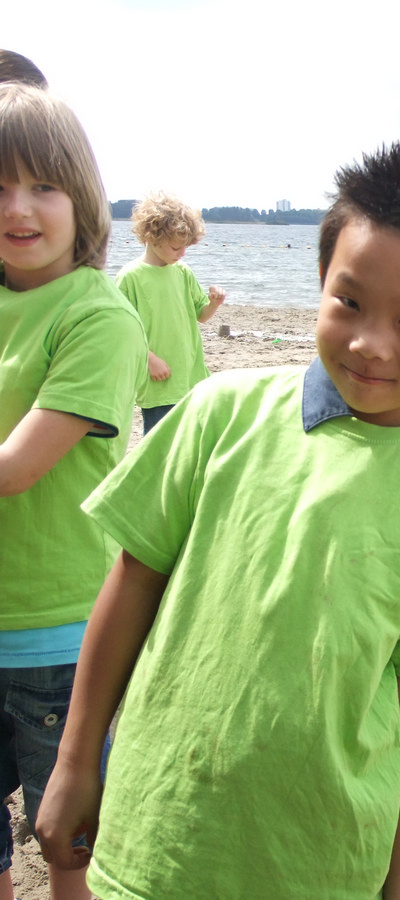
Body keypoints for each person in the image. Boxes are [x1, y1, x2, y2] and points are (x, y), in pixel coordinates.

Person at [35, 140, 400, 899]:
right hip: (158, 832)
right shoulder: (220, 413)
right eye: (349, 302)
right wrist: (75, 760)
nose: (370, 343)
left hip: (322, 859)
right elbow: (132, 581)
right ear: (321, 283)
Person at [0, 83, 146, 900]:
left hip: (57, 638)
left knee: (69, 842)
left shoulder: (98, 317)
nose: (18, 208)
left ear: (82, 199)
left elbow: (16, 468)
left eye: (43, 186)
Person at [116, 191, 225, 433]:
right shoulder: (130, 277)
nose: (182, 253)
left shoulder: (182, 272)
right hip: (159, 381)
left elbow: (201, 315)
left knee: (191, 439)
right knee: (160, 443)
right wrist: (149, 360)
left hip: (191, 375)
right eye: (176, 247)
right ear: (152, 237)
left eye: (186, 247)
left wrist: (214, 303)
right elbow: (120, 332)